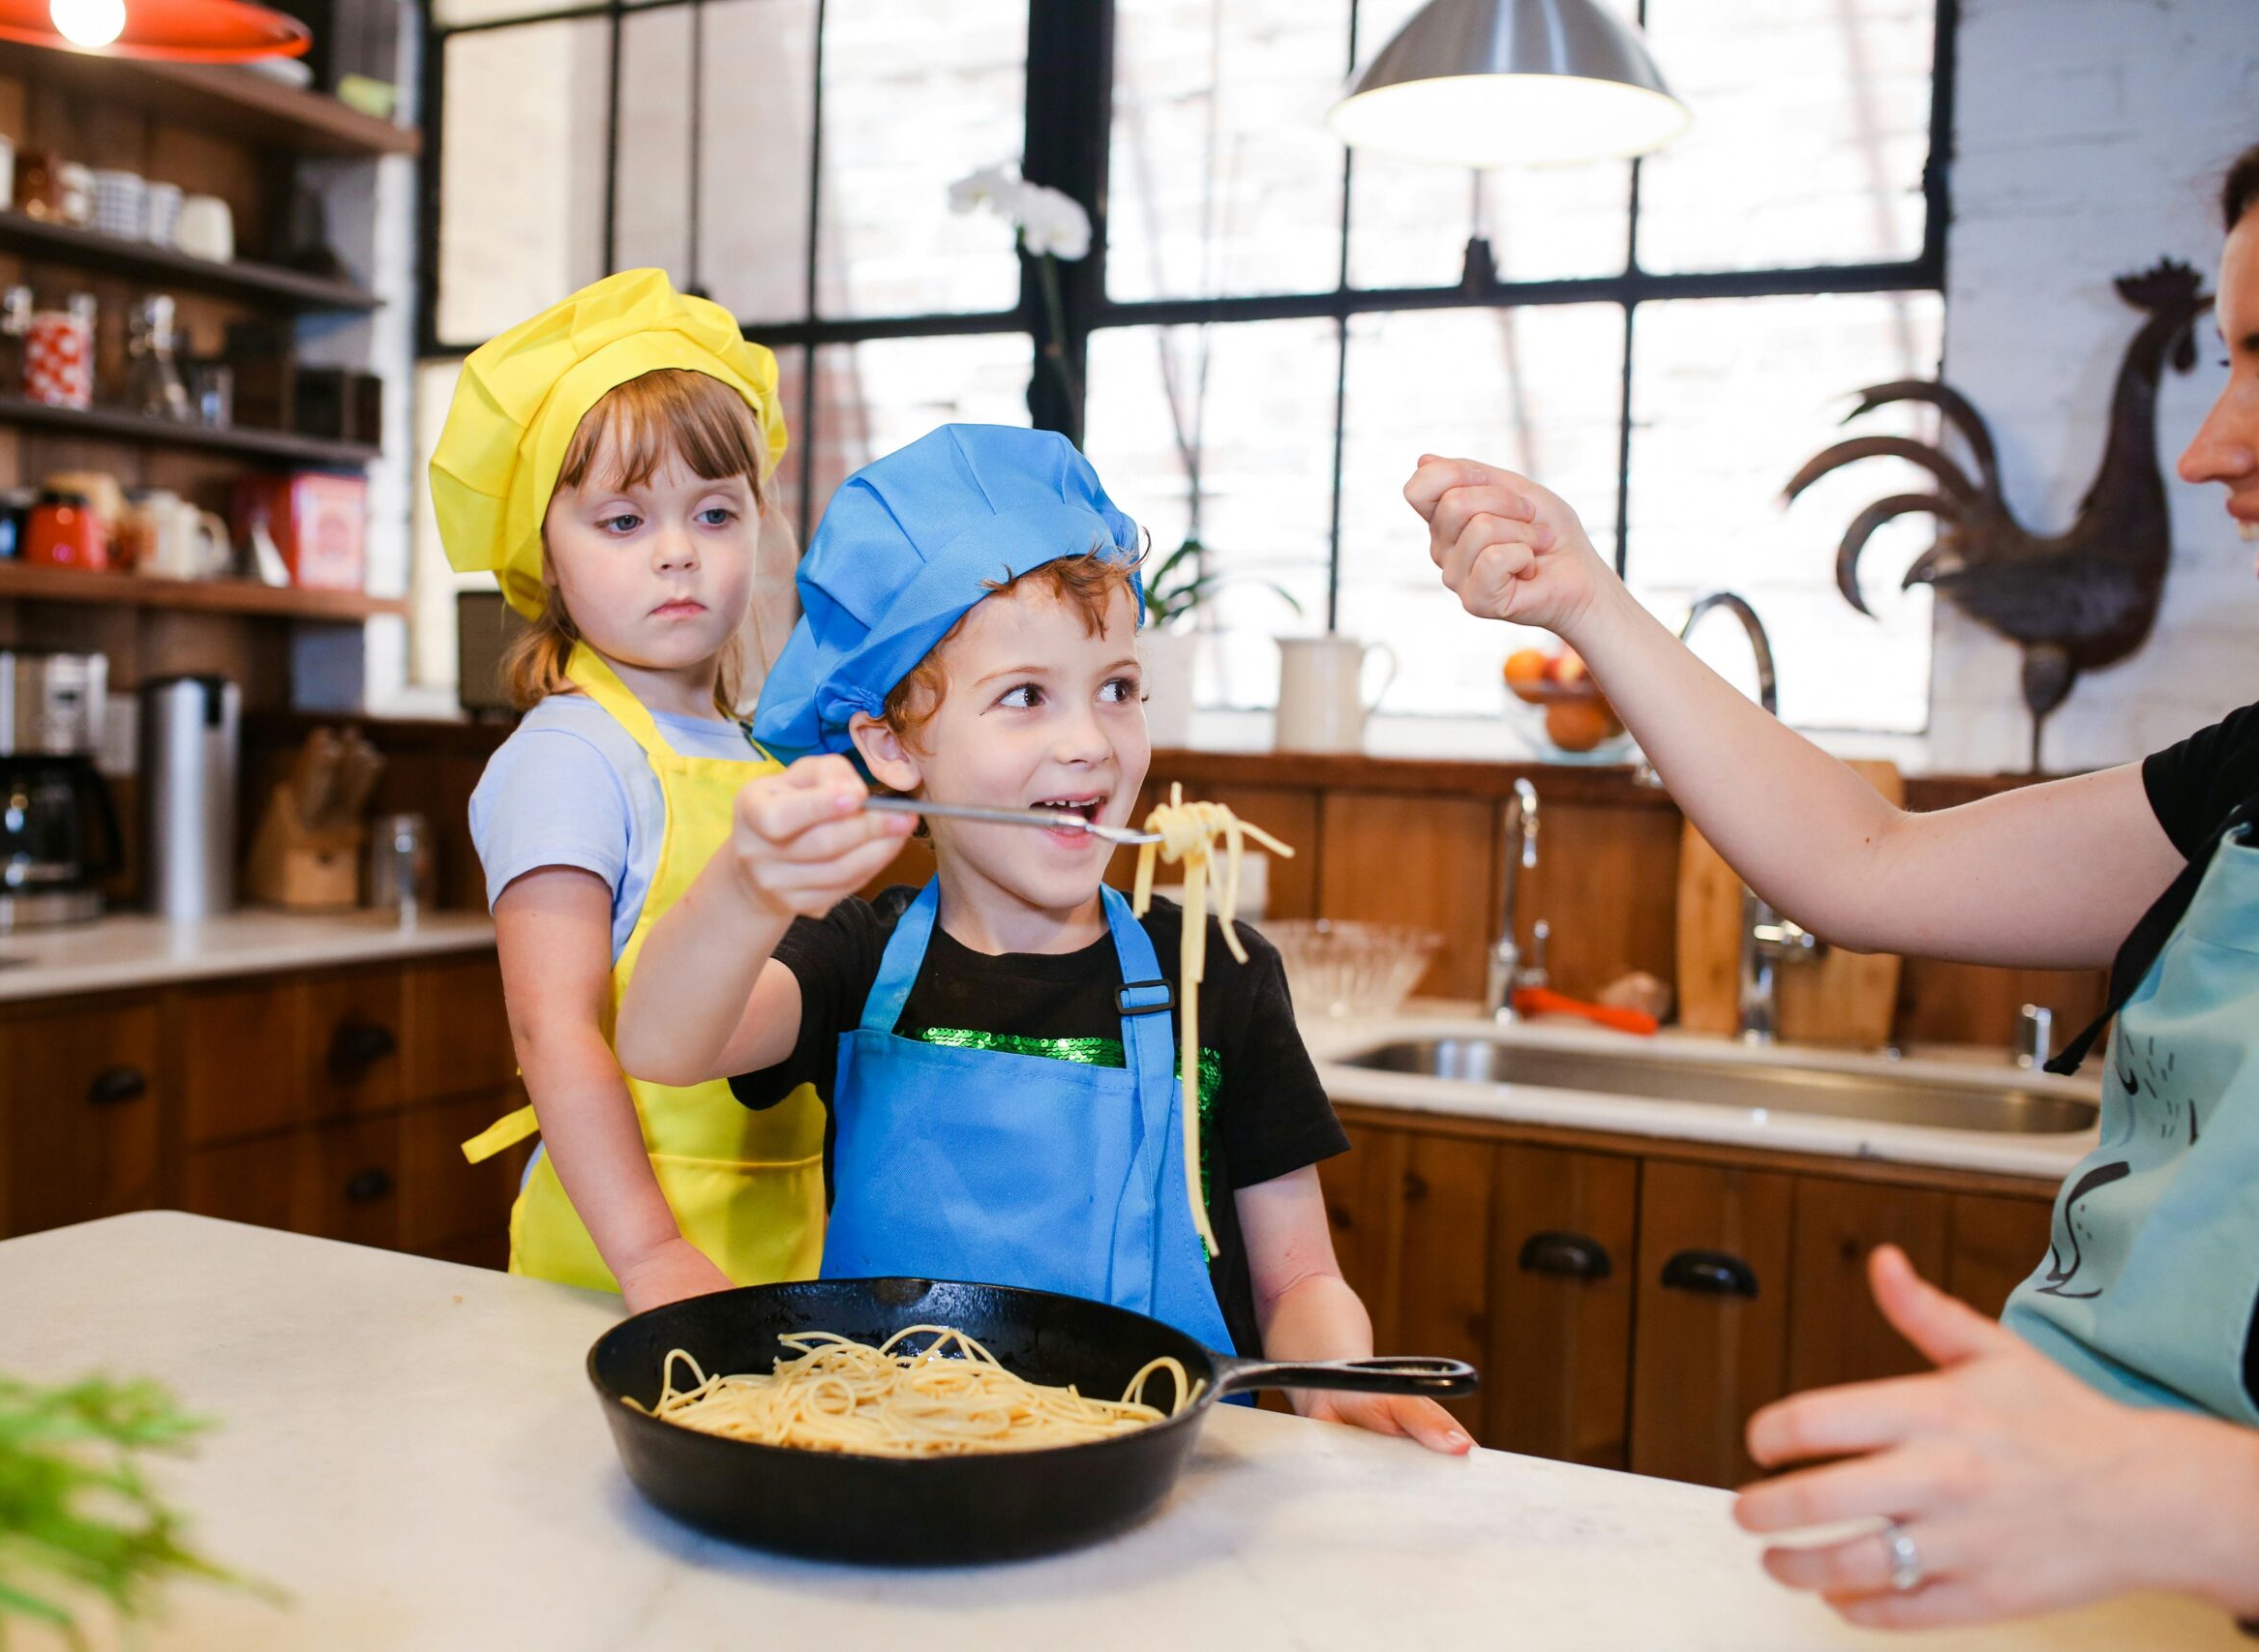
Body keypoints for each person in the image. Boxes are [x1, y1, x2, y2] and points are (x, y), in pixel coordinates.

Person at [1399, 142, 2259, 1628]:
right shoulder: (2247, 772)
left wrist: (2169, 1494)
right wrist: (1587, 602)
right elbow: (1869, 862)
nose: (2208, 446)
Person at [615, 424, 1471, 1451]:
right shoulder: (859, 958)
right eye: (1024, 696)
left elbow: (1300, 1276)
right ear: (890, 745)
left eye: (1117, 688)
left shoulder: (1219, 974)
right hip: (891, 1463)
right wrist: (746, 890)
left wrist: (1329, 1377)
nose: (1088, 741)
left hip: (1166, 1483)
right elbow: (662, 1044)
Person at [429, 269, 818, 1309]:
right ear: (545, 560)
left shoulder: (759, 757)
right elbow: (550, 1030)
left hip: (784, 1245)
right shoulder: (572, 758)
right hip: (617, 1266)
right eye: (622, 522)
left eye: (715, 512)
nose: (679, 553)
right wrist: (649, 1253)